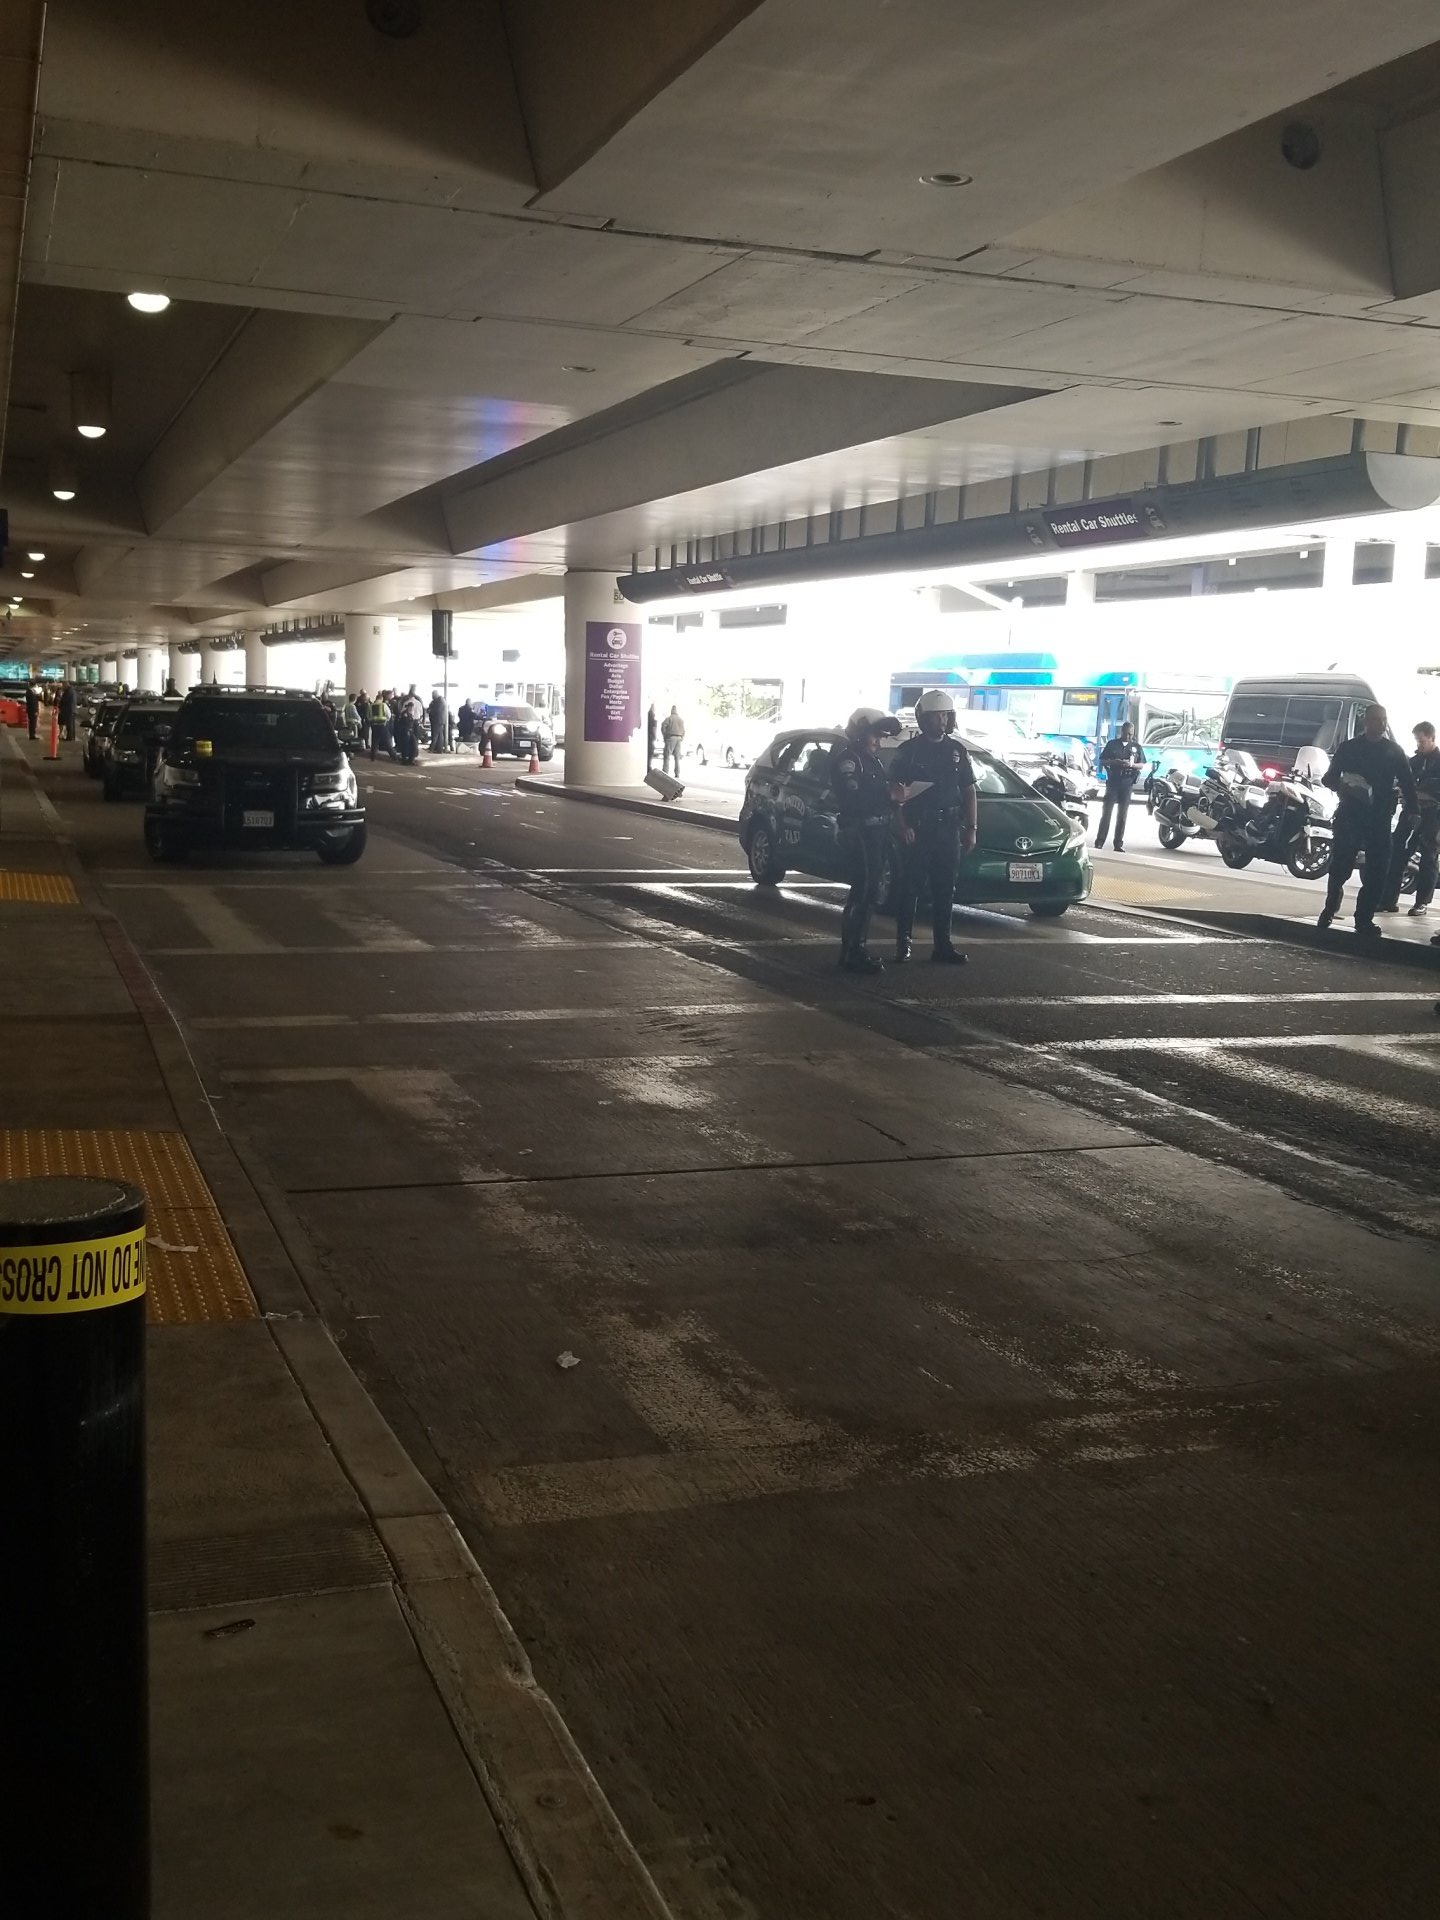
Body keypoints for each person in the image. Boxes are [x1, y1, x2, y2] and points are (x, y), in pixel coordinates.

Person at [888, 688, 977, 965]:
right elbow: (894, 792)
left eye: (945, 715)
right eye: (936, 715)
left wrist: (972, 827)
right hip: (919, 827)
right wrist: (901, 825)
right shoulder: (908, 752)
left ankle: (943, 945)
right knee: (910, 887)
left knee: (945, 888)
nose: (942, 720)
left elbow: (969, 790)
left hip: (949, 828)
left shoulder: (957, 750)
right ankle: (903, 944)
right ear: (924, 718)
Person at [1319, 703, 1417, 936]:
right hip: (1350, 815)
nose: (1381, 724)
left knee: (1377, 869)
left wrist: (1414, 811)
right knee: (1340, 866)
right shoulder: (1349, 748)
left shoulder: (1394, 751)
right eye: (1376, 720)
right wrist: (1346, 786)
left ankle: (1364, 918)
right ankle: (1330, 908)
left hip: (1379, 818)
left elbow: (1408, 783)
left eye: (1384, 720)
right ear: (1366, 722)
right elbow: (1328, 778)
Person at [830, 707, 902, 974]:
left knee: (870, 892)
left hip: (877, 834)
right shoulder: (849, 761)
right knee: (863, 891)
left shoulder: (872, 760)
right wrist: (888, 796)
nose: (878, 741)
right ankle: (851, 952)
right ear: (860, 734)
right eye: (875, 735)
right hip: (860, 833)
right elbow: (853, 799)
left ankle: (857, 948)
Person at [1380, 719, 1439, 917]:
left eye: (1421, 741)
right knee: (1397, 852)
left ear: (1432, 738)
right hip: (1411, 812)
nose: (1418, 745)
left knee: (1428, 858)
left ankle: (1422, 903)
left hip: (1432, 815)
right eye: (1416, 741)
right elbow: (1402, 783)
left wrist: (1419, 792)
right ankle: (1388, 899)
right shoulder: (1413, 762)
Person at [1095, 722, 1146, 851]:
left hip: (1127, 782)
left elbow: (1141, 764)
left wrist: (1131, 765)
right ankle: (1100, 841)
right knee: (1107, 813)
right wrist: (1115, 762)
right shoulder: (1112, 744)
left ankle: (1118, 843)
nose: (1129, 736)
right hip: (1113, 781)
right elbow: (1102, 760)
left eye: (1131, 734)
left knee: (1122, 815)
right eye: (1127, 733)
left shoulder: (1136, 747)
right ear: (1122, 732)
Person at [661, 704, 685, 777]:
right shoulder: (681, 720)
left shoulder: (669, 718)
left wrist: (665, 736)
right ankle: (677, 773)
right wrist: (681, 737)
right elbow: (684, 731)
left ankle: (665, 772)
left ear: (671, 711)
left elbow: (663, 727)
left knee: (667, 756)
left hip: (670, 738)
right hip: (679, 739)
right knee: (677, 757)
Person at [368, 689, 392, 760]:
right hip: (382, 725)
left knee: (374, 742)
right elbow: (389, 715)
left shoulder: (371, 705)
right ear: (381, 699)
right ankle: (393, 756)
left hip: (374, 725)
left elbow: (368, 715)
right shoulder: (383, 705)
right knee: (387, 740)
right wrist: (386, 720)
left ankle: (373, 757)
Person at [646, 702, 659, 771]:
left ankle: (648, 766)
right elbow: (653, 728)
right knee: (650, 751)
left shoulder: (648, 715)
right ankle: (648, 766)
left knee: (649, 751)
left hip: (648, 737)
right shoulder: (652, 716)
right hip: (650, 737)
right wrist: (654, 736)